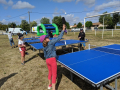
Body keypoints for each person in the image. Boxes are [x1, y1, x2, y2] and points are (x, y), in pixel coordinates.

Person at [40, 24, 65, 90]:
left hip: (47, 60)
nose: (48, 37)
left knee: (50, 73)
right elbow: (59, 38)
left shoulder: (44, 46)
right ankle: (54, 89)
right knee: (54, 75)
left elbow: (45, 55)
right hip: (52, 60)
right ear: (45, 40)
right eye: (47, 37)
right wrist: (63, 30)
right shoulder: (51, 42)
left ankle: (49, 85)